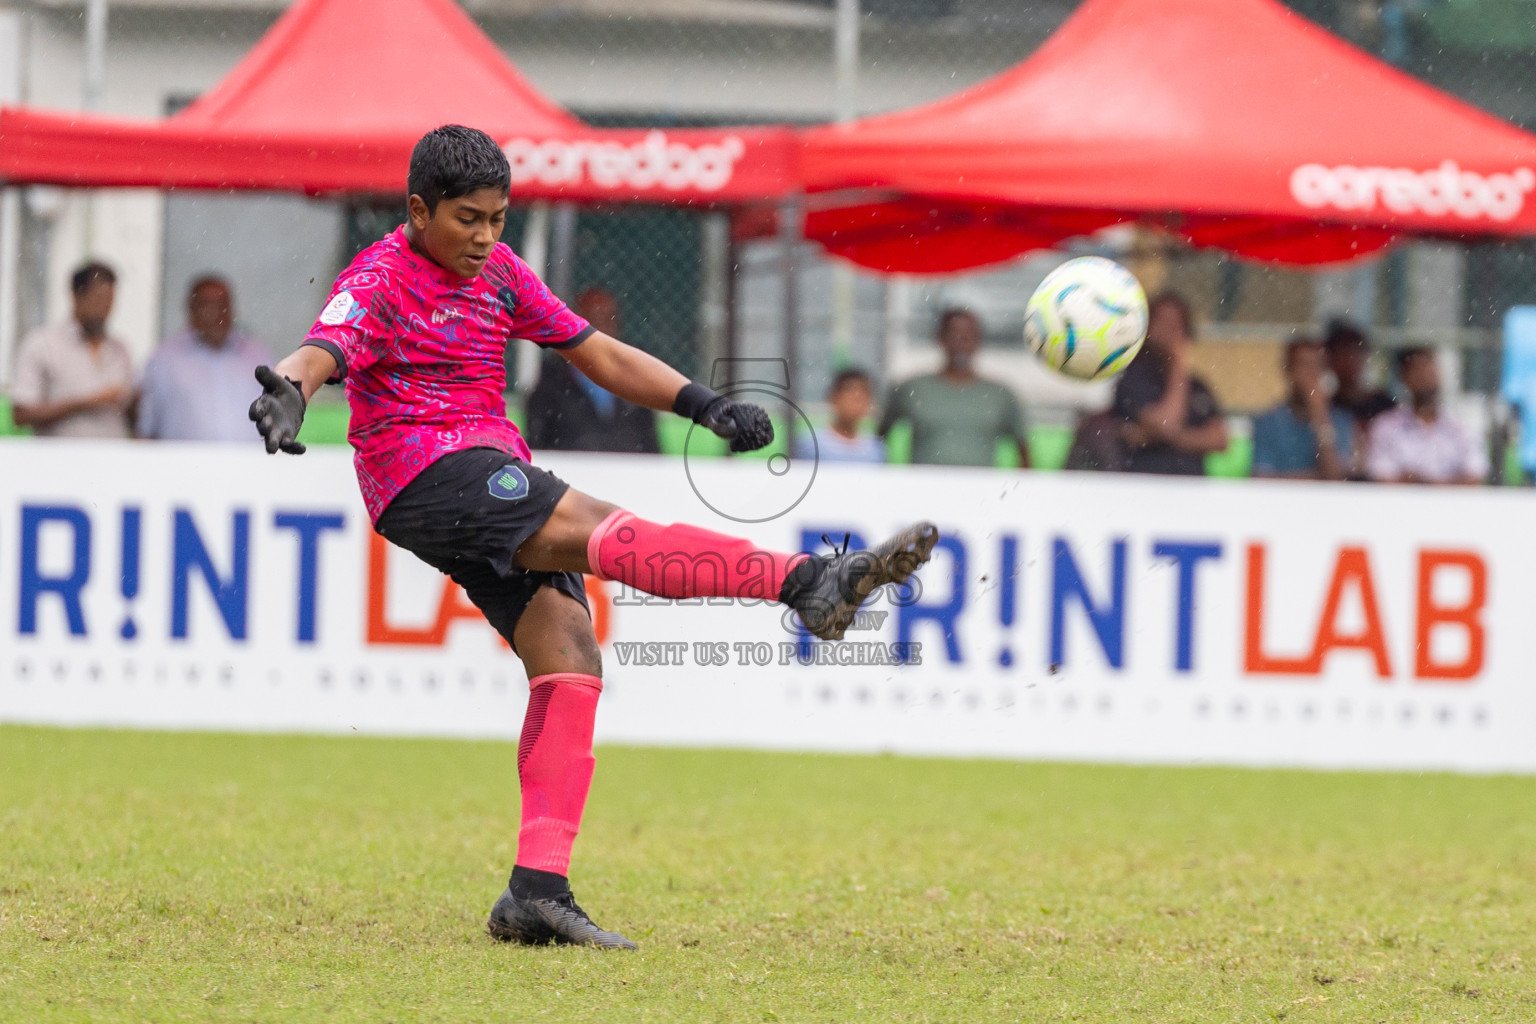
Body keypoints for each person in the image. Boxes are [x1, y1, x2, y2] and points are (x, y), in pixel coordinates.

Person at [248, 126, 937, 951]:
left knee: (570, 652)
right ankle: (805, 582)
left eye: (499, 218)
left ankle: (536, 890)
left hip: (481, 464)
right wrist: (290, 392)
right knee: (601, 529)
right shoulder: (379, 275)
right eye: (468, 219)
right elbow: (322, 347)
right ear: (417, 209)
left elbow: (594, 351)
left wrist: (701, 405)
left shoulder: (500, 272)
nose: (484, 236)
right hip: (423, 474)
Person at [878, 308, 1030, 468]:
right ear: (940, 338)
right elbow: (878, 440)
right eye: (954, 334)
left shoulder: (1000, 395)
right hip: (924, 489)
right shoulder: (911, 389)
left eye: (968, 336)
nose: (961, 342)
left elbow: (1024, 452)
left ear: (979, 340)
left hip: (982, 490)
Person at [524, 286, 660, 454]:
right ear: (575, 322)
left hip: (627, 474)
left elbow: (650, 446)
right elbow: (536, 445)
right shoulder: (551, 381)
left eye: (609, 319)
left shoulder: (634, 379)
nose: (601, 328)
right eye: (594, 319)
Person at [137, 276, 271, 442]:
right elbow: (146, 428)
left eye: (223, 305)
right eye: (208, 306)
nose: (217, 314)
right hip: (184, 465)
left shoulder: (258, 354)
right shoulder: (165, 359)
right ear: (191, 310)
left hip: (251, 464)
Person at [10, 262, 134, 438]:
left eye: (110, 301)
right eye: (99, 299)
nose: (105, 310)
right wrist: (87, 402)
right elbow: (21, 414)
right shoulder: (42, 344)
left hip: (110, 460)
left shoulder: (120, 349)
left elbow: (130, 415)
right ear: (77, 296)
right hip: (59, 461)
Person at [1110, 291, 1227, 475]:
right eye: (1162, 322)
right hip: (1144, 484)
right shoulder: (1134, 378)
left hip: (1191, 488)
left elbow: (1219, 440)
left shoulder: (1197, 386)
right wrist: (1178, 365)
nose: (1169, 331)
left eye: (1176, 324)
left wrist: (1161, 437)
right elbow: (1165, 423)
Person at [1366, 346, 1488, 485]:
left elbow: (1475, 478)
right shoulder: (1386, 427)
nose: (1426, 376)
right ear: (1404, 377)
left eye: (1430, 368)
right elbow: (1383, 479)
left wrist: (1422, 484)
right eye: (1418, 370)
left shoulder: (1460, 427)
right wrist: (1446, 484)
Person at [1250, 337, 1355, 481]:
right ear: (1288, 370)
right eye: (1305, 365)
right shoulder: (1267, 422)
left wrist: (1321, 416)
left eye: (1318, 366)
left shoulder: (1340, 420)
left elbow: (1336, 478)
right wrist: (1317, 479)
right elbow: (1263, 480)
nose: (1311, 373)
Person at [794, 367, 885, 464]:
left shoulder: (876, 450)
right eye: (849, 391)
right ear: (834, 397)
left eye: (863, 393)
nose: (856, 399)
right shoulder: (810, 445)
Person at [1325, 318, 1396, 431]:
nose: (1349, 358)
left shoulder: (1385, 405)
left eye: (1355, 351)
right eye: (1341, 352)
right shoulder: (1327, 407)